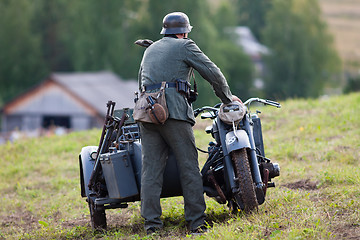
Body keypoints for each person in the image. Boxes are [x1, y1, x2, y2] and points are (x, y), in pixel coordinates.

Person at [137, 11, 241, 234]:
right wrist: (227, 98)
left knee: (151, 171)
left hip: (146, 113)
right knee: (189, 167)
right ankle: (196, 222)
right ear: (183, 32)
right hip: (173, 112)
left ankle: (152, 226)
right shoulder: (185, 46)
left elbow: (141, 83)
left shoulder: (150, 49)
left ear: (165, 31)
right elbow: (212, 72)